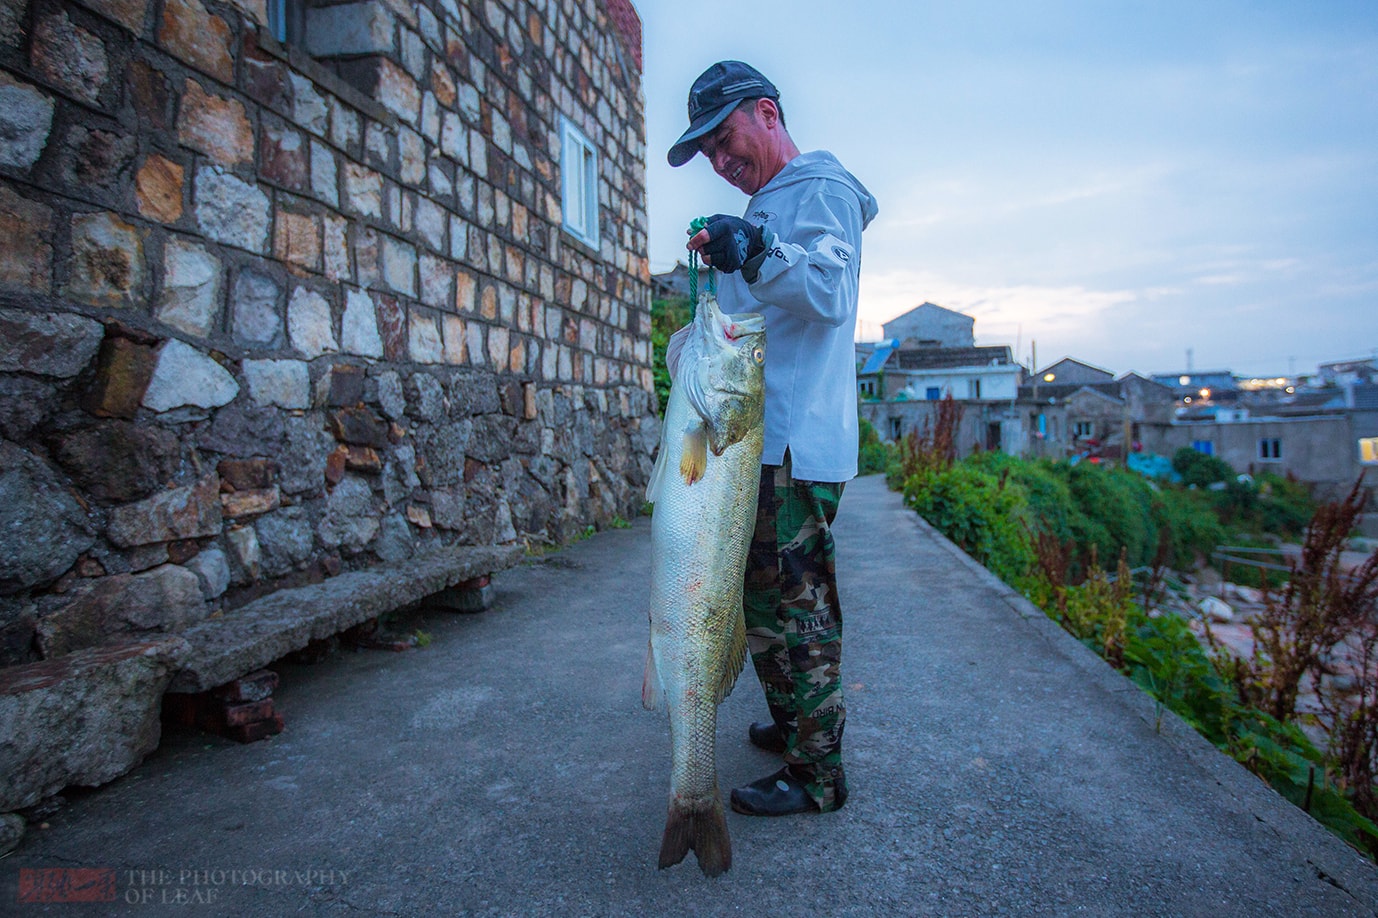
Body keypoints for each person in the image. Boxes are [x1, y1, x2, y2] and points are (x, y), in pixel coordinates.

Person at [669, 60, 879, 816]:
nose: (723, 164)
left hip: (796, 448)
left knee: (800, 610)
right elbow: (738, 333)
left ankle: (819, 774)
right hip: (750, 448)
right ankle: (795, 725)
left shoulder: (820, 191)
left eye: (725, 140)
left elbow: (829, 293)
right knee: (758, 600)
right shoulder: (761, 209)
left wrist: (751, 249)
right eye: (710, 155)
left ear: (767, 112)